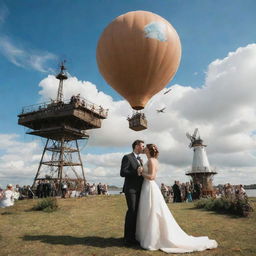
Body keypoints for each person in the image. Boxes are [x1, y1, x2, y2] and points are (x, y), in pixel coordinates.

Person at [136, 144, 218, 253]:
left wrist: (141, 172)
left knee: (151, 210)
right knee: (148, 210)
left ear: (149, 150)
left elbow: (152, 177)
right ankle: (148, 235)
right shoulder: (152, 160)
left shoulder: (151, 161)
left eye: (145, 147)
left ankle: (153, 238)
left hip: (149, 186)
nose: (144, 148)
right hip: (147, 187)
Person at [120, 139, 145, 246]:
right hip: (131, 189)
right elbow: (122, 172)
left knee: (137, 212)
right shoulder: (127, 157)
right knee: (132, 211)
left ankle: (134, 236)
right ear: (136, 146)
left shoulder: (141, 159)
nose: (144, 148)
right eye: (142, 146)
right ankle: (128, 238)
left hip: (140, 189)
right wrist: (136, 171)